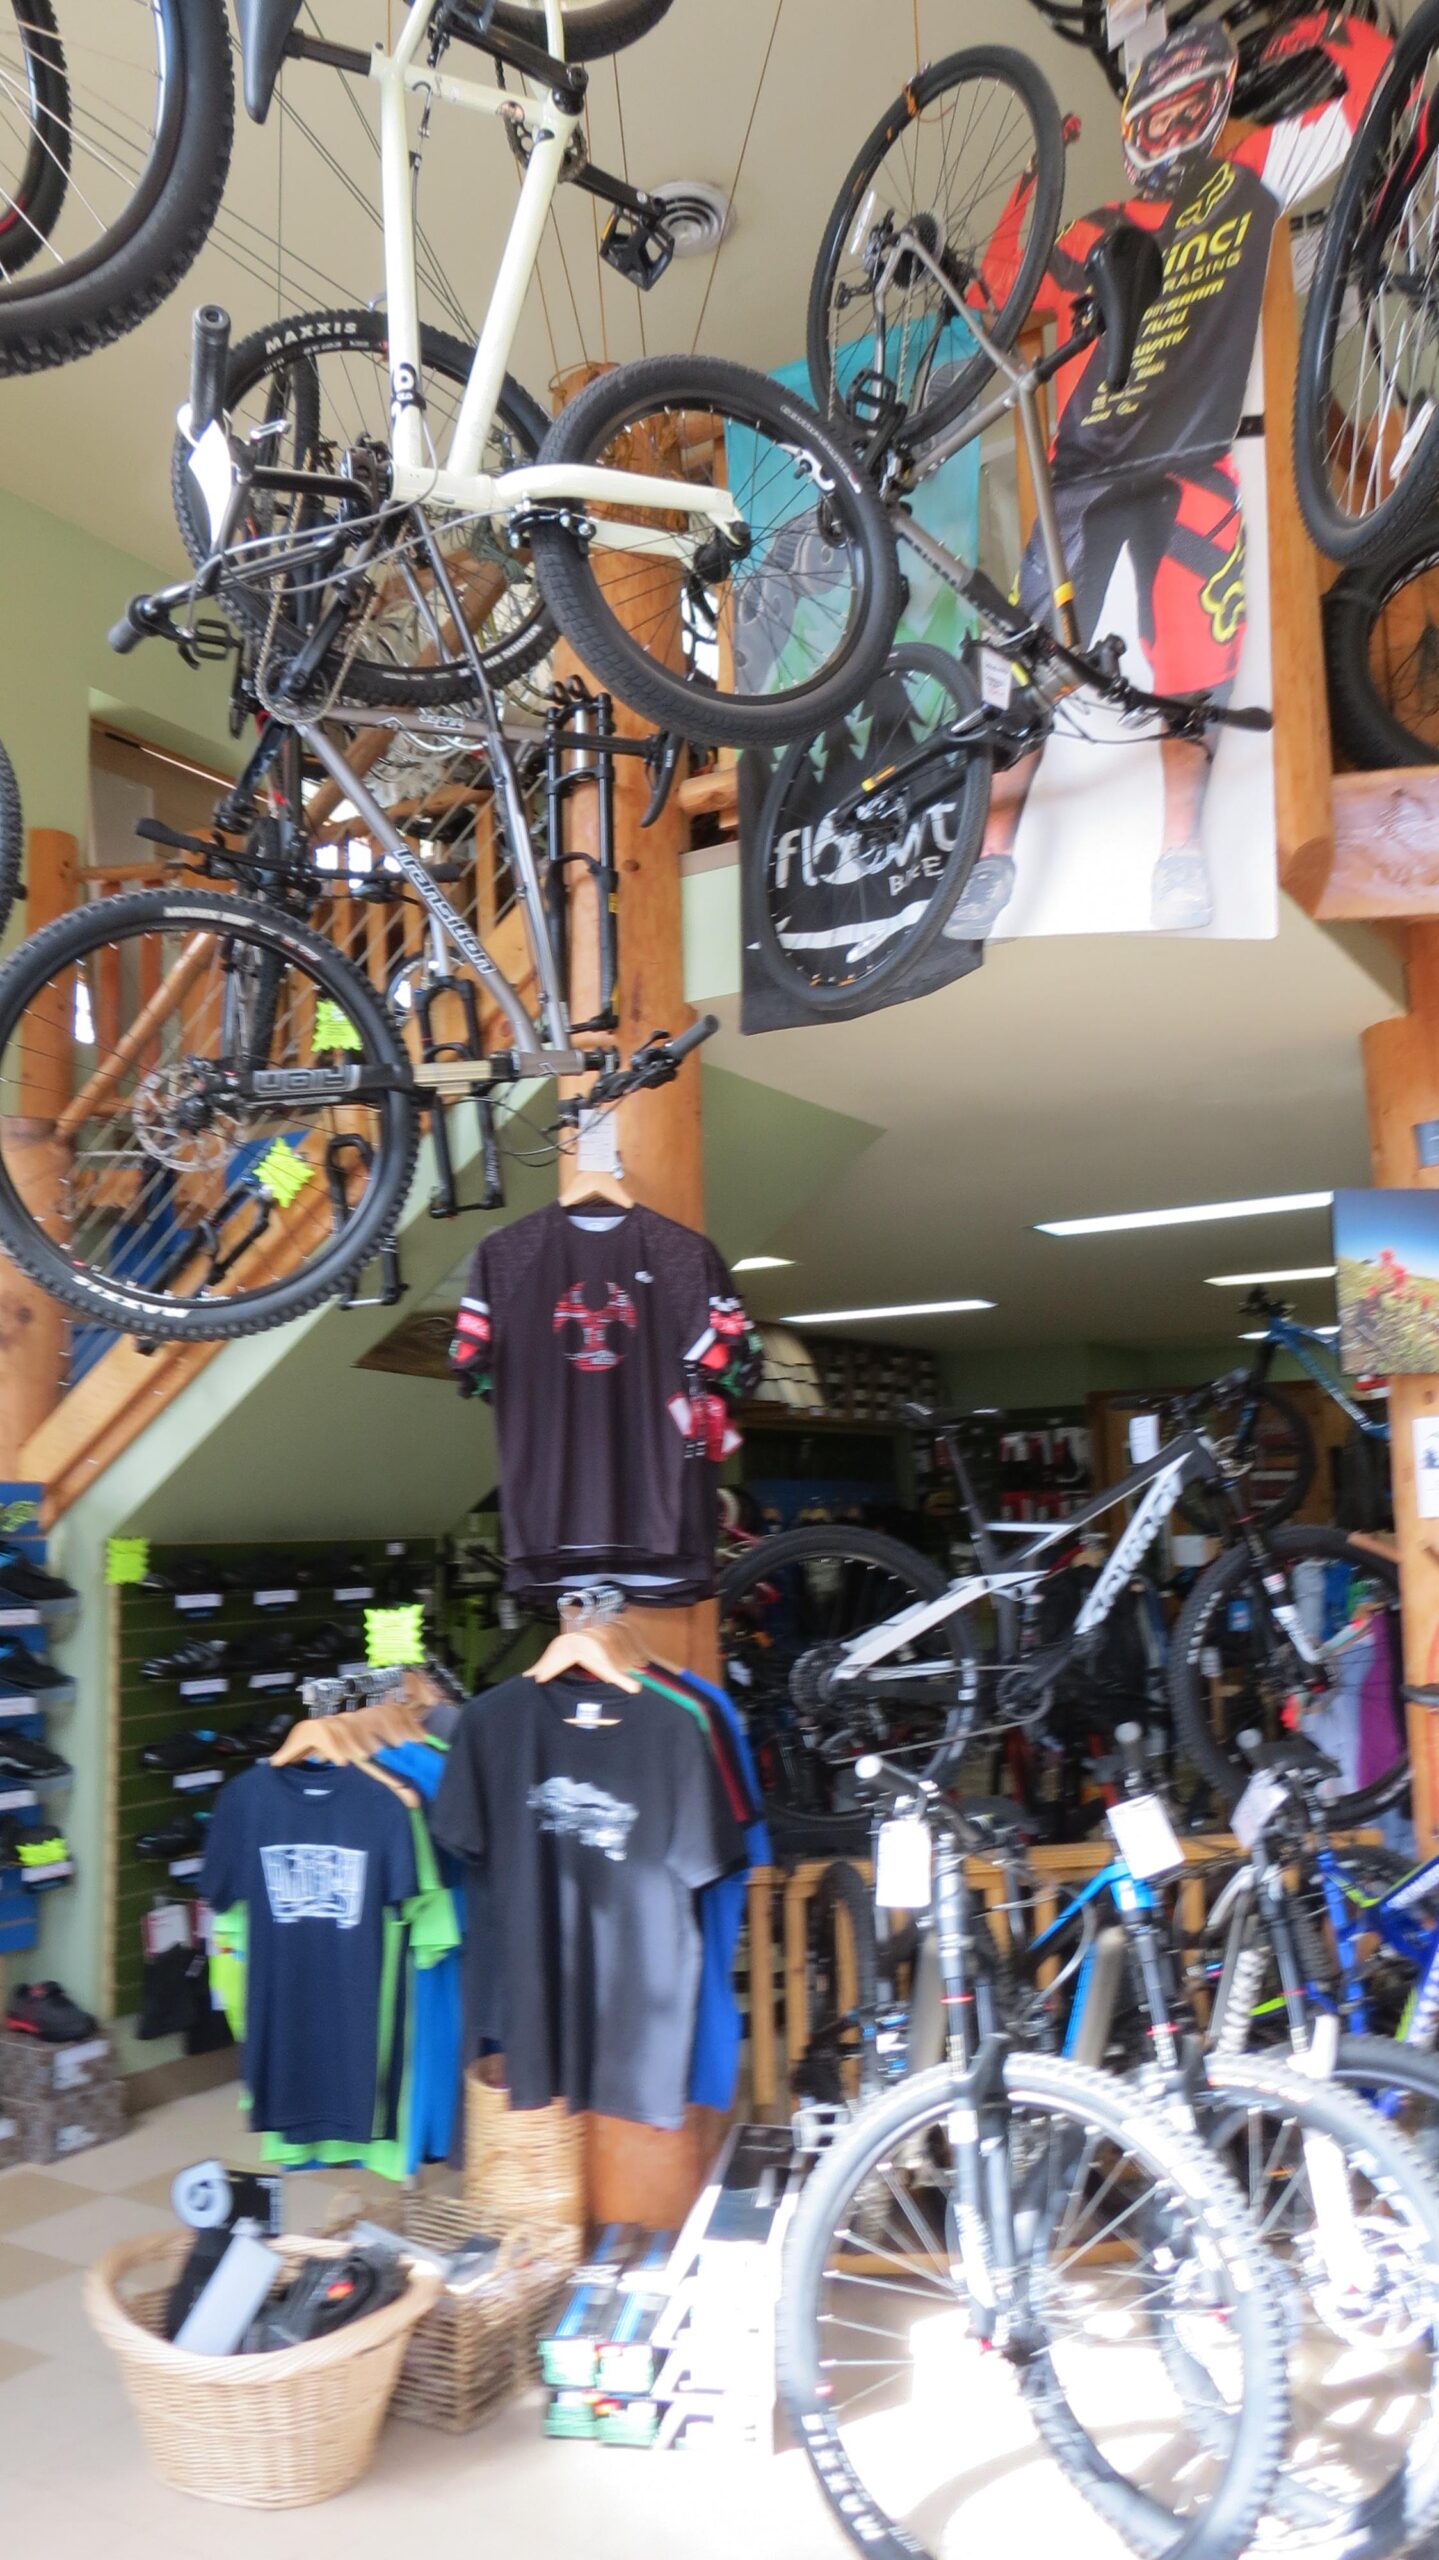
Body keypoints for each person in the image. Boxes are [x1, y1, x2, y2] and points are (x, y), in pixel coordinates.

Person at [955, 9, 1390, 937]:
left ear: (1214, 107)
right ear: (1131, 128)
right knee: (1029, 658)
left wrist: (1313, 25)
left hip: (1187, 459)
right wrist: (1030, 187)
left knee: (1192, 663)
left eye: (1188, 105)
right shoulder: (1092, 229)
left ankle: (1179, 851)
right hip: (1078, 473)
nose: (1166, 127)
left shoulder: (1247, 182)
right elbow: (996, 297)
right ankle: (988, 864)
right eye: (1150, 113)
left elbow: (1373, 89)